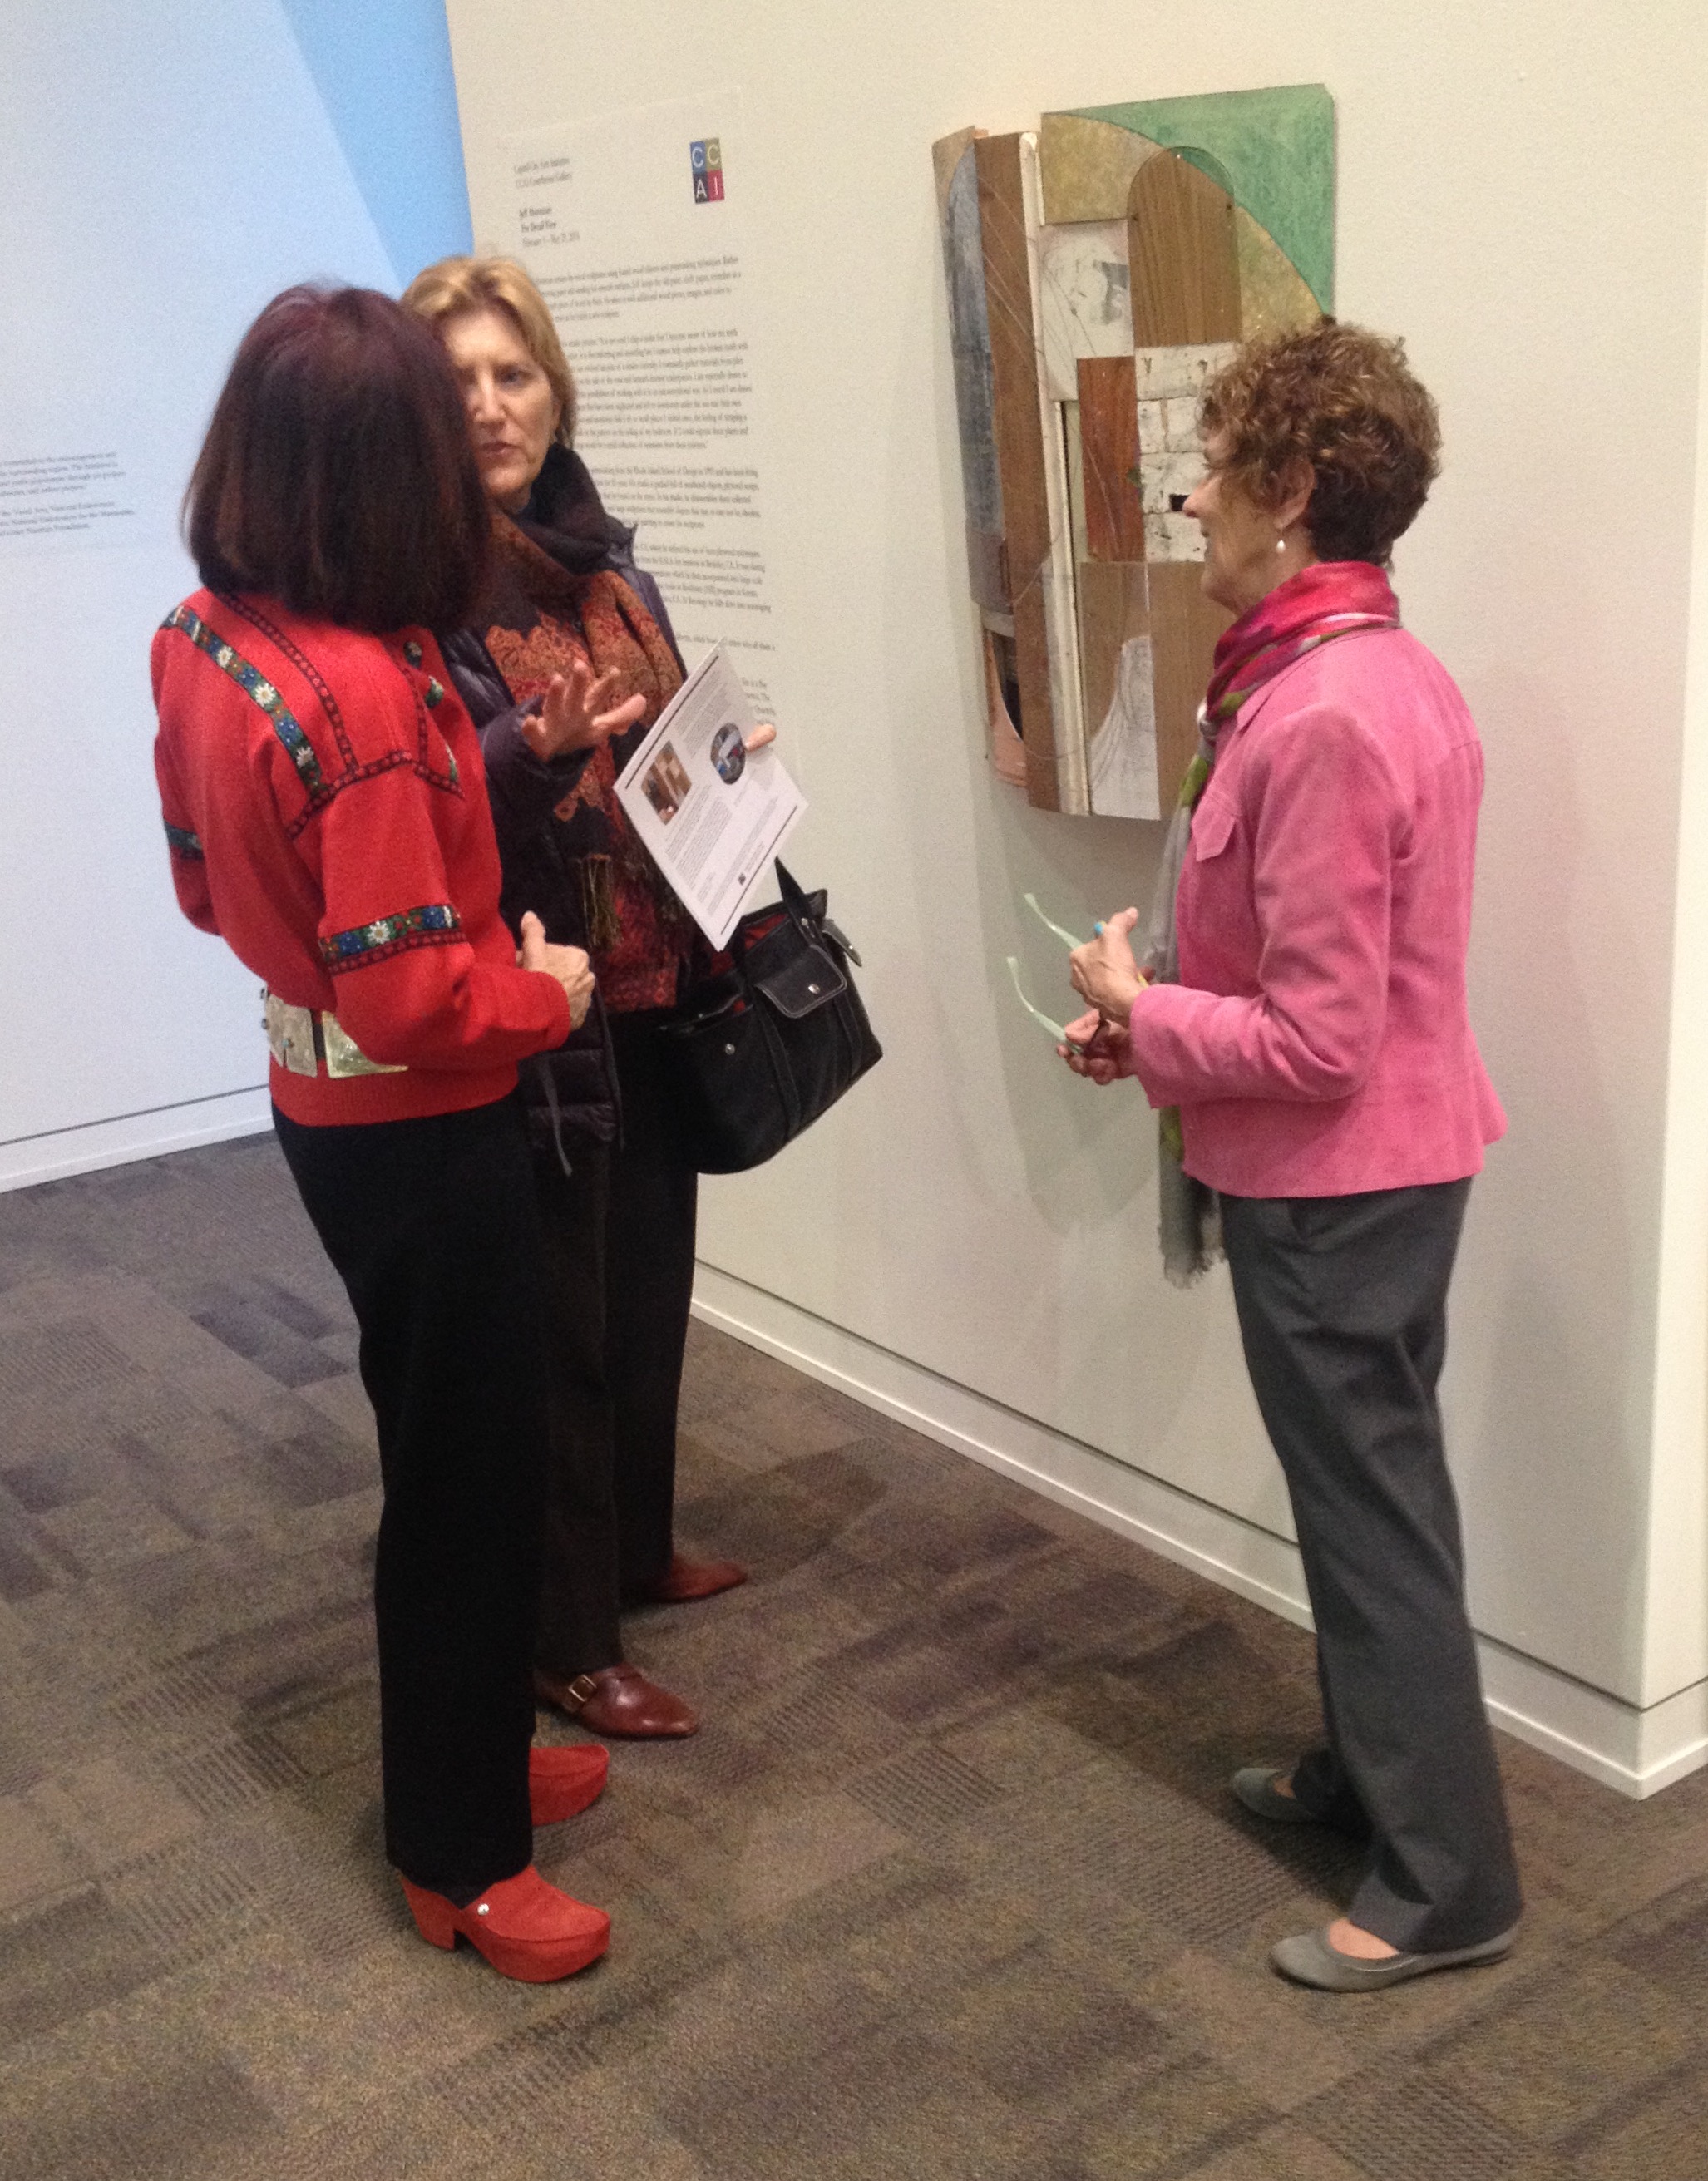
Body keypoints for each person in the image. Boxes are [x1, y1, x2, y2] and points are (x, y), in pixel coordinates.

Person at [152, 284, 615, 1982]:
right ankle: (461, 1853)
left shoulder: (206, 634)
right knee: (469, 1483)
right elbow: (420, 1000)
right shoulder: (358, 702)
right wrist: (541, 992)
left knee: (445, 1457)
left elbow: (202, 884)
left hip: (322, 1106)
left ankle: (465, 1752)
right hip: (425, 1124)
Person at [1062, 321, 1522, 1992]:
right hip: (1384, 1170)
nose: (1192, 503)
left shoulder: (1318, 709)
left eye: (1214, 472)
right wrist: (1154, 1028)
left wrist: (1146, 1009)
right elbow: (1328, 989)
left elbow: (1321, 1042)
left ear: (1295, 489)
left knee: (1369, 1517)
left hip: (1339, 1189)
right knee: (1369, 1500)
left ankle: (1446, 1883)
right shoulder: (1377, 670)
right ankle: (1374, 1777)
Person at [401, 256, 757, 1741]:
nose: (492, 407)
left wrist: (724, 769)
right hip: (537, 996)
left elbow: (660, 744)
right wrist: (532, 758)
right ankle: (564, 1638)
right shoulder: (413, 591)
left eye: (515, 373)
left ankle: (633, 1547)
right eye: (459, 383)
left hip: (656, 980)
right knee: (558, 1331)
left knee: (647, 1289)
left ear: (556, 389)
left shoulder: (611, 562)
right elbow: (424, 811)